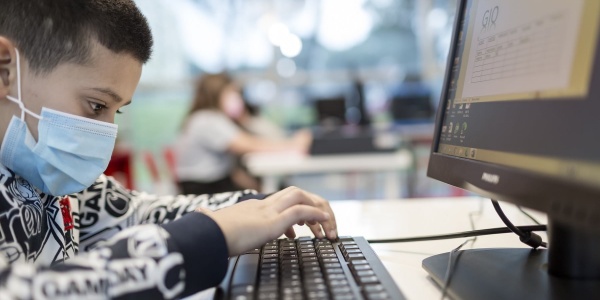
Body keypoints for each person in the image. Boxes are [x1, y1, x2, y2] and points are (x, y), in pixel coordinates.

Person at [0, 1, 337, 299]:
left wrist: (258, 206)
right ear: (4, 69)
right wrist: (211, 236)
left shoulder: (46, 176)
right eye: (95, 105)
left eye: (115, 111)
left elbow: (134, 213)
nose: (106, 131)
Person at [174, 73, 311, 194]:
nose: (238, 98)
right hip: (204, 188)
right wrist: (292, 144)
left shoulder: (211, 118)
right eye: (232, 93)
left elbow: (235, 168)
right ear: (217, 94)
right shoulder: (208, 120)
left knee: (278, 191)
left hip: (214, 182)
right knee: (278, 194)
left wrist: (245, 119)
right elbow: (250, 145)